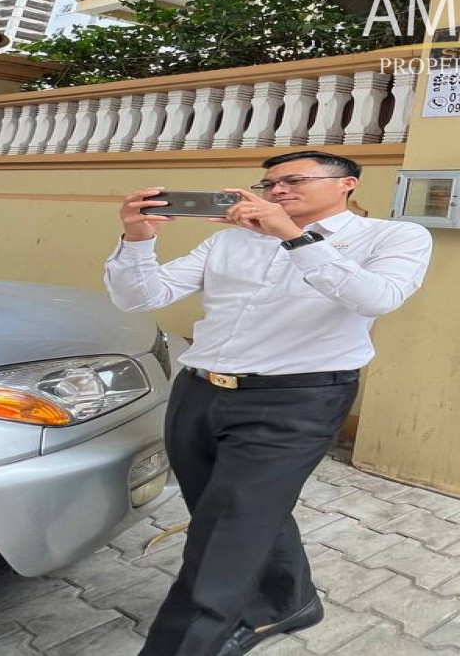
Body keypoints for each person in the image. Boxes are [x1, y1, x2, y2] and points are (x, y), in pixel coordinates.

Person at [106, 151, 433, 656]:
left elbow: (377, 298)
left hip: (296, 400)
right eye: (270, 183)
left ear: (346, 184)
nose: (277, 190)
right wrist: (137, 239)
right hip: (199, 391)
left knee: (225, 533)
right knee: (227, 509)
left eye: (293, 180)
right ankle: (290, 601)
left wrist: (292, 236)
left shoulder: (393, 237)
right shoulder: (229, 240)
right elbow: (141, 297)